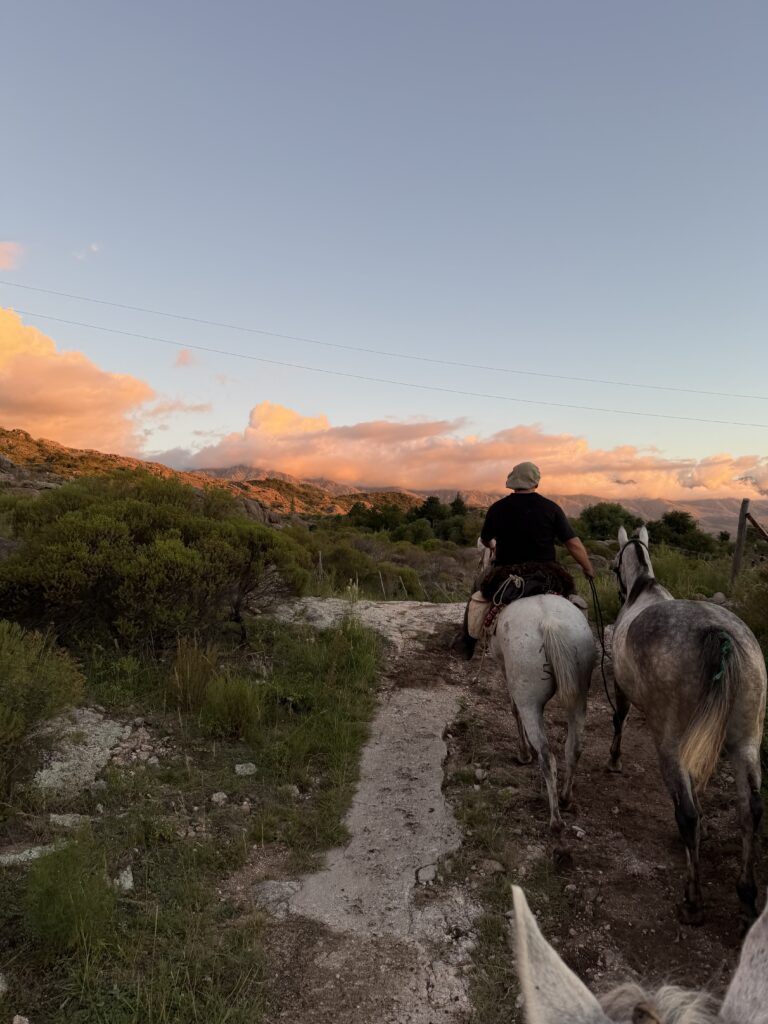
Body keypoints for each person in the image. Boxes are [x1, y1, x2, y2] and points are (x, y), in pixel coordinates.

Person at [453, 461, 594, 659]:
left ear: (513, 482)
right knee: (572, 597)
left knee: (477, 593)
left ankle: (467, 644)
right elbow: (573, 544)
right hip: (547, 573)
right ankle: (584, 645)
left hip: (505, 572)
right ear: (536, 482)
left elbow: (485, 539)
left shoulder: (497, 508)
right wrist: (587, 568)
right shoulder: (551, 508)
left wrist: (492, 545)